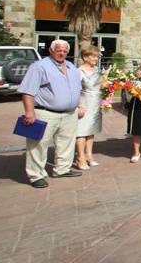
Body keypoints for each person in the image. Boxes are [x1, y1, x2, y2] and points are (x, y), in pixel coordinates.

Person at [18, 39, 84, 187]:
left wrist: (79, 105)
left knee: (66, 143)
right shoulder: (39, 67)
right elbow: (28, 92)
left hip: (69, 113)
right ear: (51, 50)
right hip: (45, 112)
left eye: (65, 51)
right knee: (38, 144)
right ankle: (36, 175)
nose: (62, 53)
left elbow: (76, 90)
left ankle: (62, 169)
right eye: (58, 50)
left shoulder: (71, 67)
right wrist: (29, 113)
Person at [75, 45, 104, 170]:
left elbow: (99, 85)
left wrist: (110, 84)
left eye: (97, 56)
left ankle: (89, 155)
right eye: (94, 56)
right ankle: (80, 157)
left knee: (91, 130)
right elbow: (75, 90)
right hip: (84, 103)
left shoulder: (97, 70)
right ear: (85, 57)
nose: (96, 59)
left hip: (96, 103)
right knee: (81, 131)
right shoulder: (79, 71)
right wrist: (79, 106)